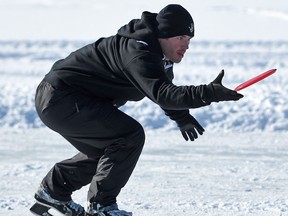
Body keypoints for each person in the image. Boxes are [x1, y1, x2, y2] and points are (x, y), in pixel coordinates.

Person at [30, 4, 243, 216]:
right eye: (181, 38)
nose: (186, 45)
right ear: (164, 34)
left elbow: (163, 86)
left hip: (63, 99)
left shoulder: (158, 54)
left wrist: (181, 116)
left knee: (108, 152)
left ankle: (53, 192)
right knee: (127, 136)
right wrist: (208, 93)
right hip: (61, 97)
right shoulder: (139, 51)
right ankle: (100, 206)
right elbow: (162, 92)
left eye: (189, 39)